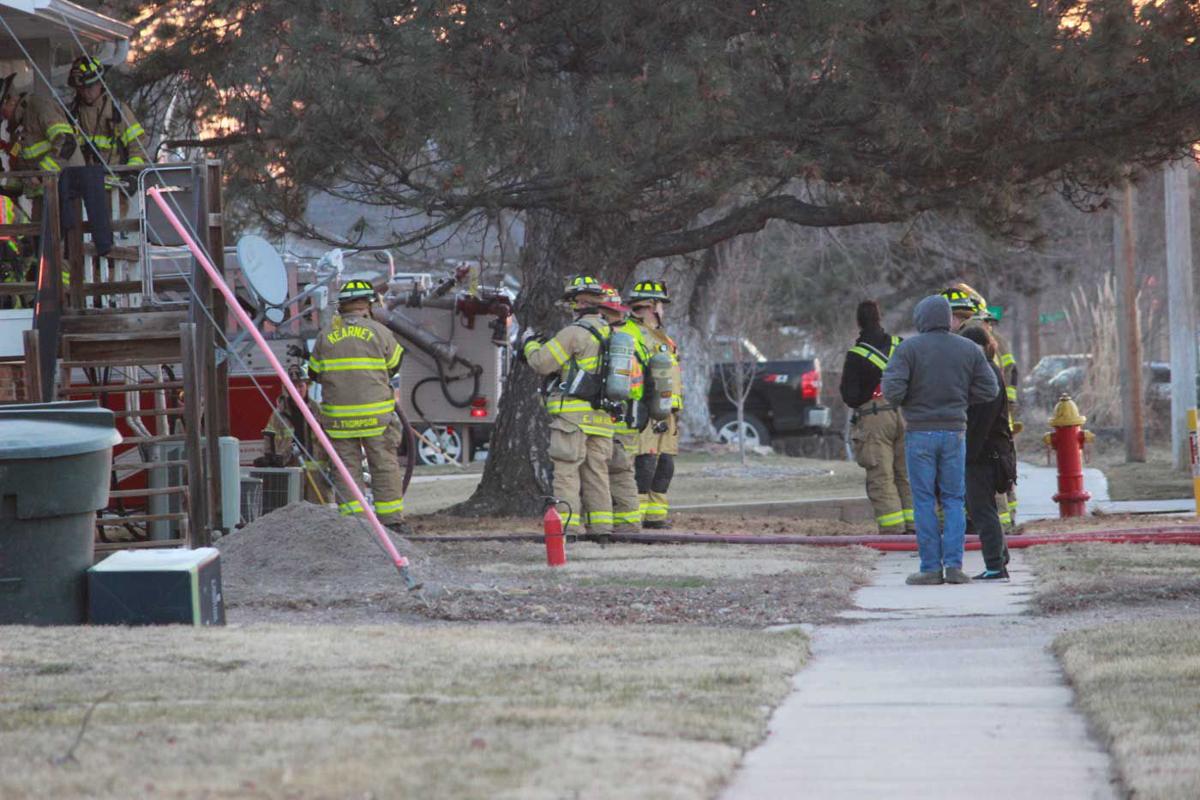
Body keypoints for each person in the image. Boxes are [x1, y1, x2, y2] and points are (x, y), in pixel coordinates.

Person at [882, 294, 998, 585]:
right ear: (948, 319)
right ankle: (954, 567)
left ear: (920, 319)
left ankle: (930, 568)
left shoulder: (908, 349)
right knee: (954, 500)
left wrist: (914, 402)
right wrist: (960, 400)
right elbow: (990, 388)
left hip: (919, 433)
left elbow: (892, 392)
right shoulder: (969, 349)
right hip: (955, 432)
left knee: (923, 501)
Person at [307, 279, 410, 534]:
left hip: (339, 422)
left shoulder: (326, 336)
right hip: (376, 419)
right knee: (384, 465)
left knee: (345, 469)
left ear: (342, 306)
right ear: (369, 304)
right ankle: (392, 523)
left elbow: (314, 373)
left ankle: (355, 526)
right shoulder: (380, 332)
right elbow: (395, 364)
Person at [522, 275, 616, 540]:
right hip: (602, 417)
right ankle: (602, 529)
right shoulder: (613, 334)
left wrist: (529, 342)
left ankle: (569, 528)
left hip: (573, 418)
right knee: (597, 473)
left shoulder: (574, 333)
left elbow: (541, 363)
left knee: (566, 472)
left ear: (578, 303)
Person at [839, 300, 914, 534]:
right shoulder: (900, 345)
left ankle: (894, 531)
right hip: (905, 415)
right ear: (880, 318)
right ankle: (917, 526)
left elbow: (851, 396)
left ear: (859, 322)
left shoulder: (856, 355)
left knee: (881, 476)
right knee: (908, 473)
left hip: (874, 419)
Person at [959, 325, 1015, 580]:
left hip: (984, 455)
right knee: (986, 508)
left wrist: (965, 455)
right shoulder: (990, 371)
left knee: (981, 509)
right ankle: (1000, 556)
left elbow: (979, 425)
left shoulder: (984, 377)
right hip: (994, 452)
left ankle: (995, 565)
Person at [629, 280, 682, 529]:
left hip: (668, 414)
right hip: (647, 412)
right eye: (661, 304)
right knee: (645, 465)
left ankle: (655, 516)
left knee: (665, 466)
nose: (663, 310)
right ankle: (635, 517)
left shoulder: (664, 338)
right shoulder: (631, 333)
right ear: (651, 306)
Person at [600, 284, 649, 534]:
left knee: (612, 471)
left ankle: (619, 522)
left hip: (614, 417)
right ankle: (628, 522)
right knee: (623, 470)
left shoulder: (613, 340)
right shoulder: (635, 335)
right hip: (631, 416)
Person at [0, 72, 83, 195]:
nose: (3, 118)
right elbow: (20, 166)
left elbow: (66, 142)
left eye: (1, 111)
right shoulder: (17, 128)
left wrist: (41, 174)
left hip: (68, 190)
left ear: (11, 100)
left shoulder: (40, 107)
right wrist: (8, 187)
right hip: (44, 194)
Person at [67, 57, 151, 178]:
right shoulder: (73, 114)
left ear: (100, 83)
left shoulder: (117, 110)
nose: (85, 93)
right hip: (86, 185)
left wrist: (131, 174)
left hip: (116, 185)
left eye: (89, 87)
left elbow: (138, 146)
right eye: (81, 89)